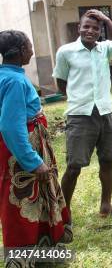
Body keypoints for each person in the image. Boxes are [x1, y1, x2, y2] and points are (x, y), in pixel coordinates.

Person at [53, 9, 112, 218]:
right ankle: (63, 213)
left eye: (96, 28)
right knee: (73, 167)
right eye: (86, 26)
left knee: (107, 162)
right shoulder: (66, 52)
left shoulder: (105, 49)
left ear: (100, 31)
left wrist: (107, 20)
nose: (90, 31)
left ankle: (106, 206)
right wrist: (78, 99)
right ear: (79, 28)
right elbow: (61, 82)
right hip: (80, 116)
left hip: (105, 113)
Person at [0, 30, 72, 255]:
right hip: (22, 153)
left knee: (36, 198)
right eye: (30, 46)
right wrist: (33, 162)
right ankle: (25, 255)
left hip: (23, 149)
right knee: (23, 202)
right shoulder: (14, 81)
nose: (32, 50)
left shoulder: (8, 75)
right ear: (21, 51)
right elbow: (11, 126)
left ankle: (43, 250)